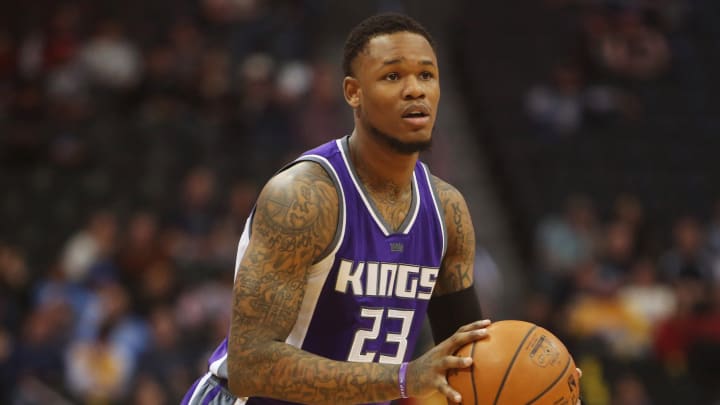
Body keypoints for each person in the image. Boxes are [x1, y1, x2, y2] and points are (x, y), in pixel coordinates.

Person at [182, 13, 490, 405]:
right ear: (353, 92)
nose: (415, 90)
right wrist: (404, 378)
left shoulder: (448, 210)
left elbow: (466, 361)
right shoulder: (304, 197)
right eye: (393, 77)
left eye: (427, 76)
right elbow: (250, 367)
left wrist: (538, 379)